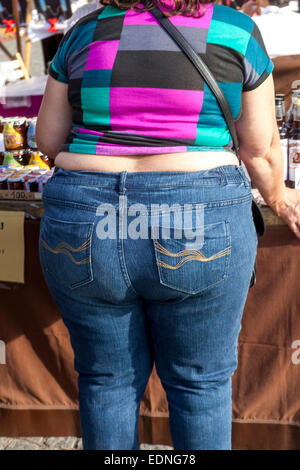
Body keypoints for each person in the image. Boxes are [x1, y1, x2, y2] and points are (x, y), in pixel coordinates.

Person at [36, 0, 300, 450]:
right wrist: (279, 195)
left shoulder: (84, 31)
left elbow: (47, 138)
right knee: (199, 387)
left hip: (85, 214)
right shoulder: (235, 30)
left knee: (105, 380)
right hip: (198, 212)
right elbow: (259, 150)